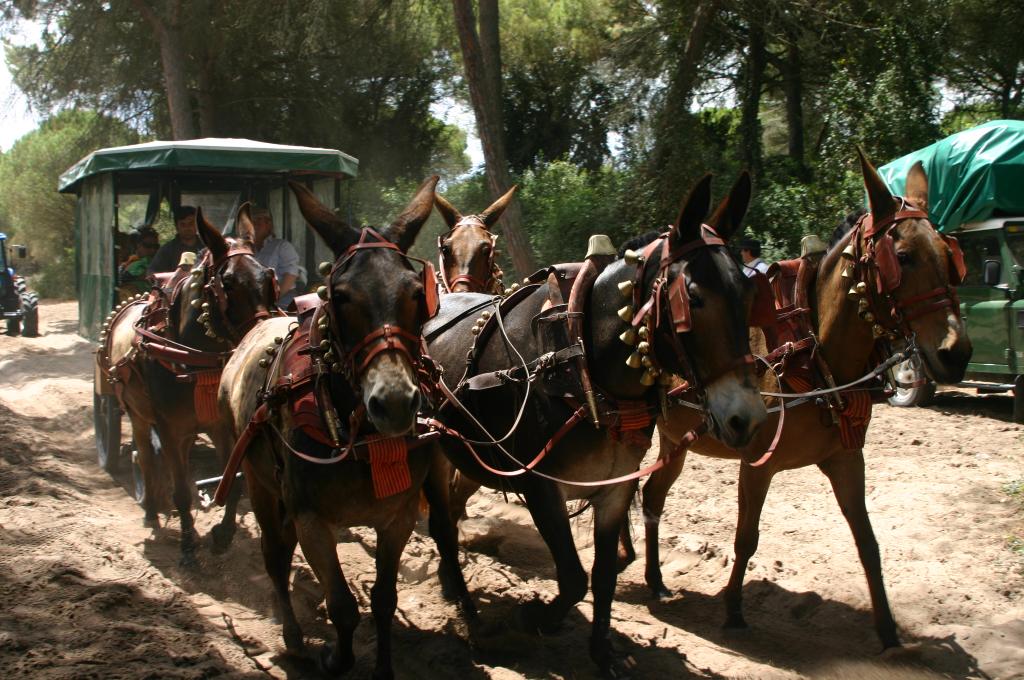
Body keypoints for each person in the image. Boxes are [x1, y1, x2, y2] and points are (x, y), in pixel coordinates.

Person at [250, 207, 300, 307]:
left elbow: (291, 275)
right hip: (255, 302)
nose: (255, 224)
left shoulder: (282, 246)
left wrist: (272, 299)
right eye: (252, 221)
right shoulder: (246, 248)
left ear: (269, 224)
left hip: (283, 301)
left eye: (259, 220)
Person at [148, 206, 200, 274]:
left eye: (191, 223)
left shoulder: (208, 248)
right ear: (177, 226)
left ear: (197, 224)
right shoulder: (167, 250)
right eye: (183, 225)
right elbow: (152, 273)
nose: (187, 228)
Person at [118, 226, 160, 296]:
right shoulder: (128, 264)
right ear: (137, 245)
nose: (153, 250)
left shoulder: (158, 264)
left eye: (156, 247)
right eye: (147, 246)